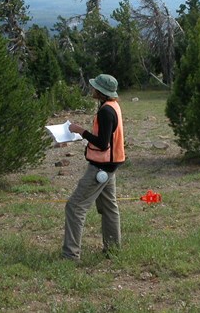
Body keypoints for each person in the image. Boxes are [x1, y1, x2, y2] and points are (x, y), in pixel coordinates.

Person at [62, 74, 126, 261]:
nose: (92, 89)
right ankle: (112, 250)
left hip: (100, 168)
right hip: (110, 166)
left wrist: (80, 131)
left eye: (95, 87)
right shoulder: (113, 106)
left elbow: (102, 143)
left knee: (74, 207)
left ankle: (70, 255)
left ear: (101, 92)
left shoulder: (106, 111)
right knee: (109, 208)